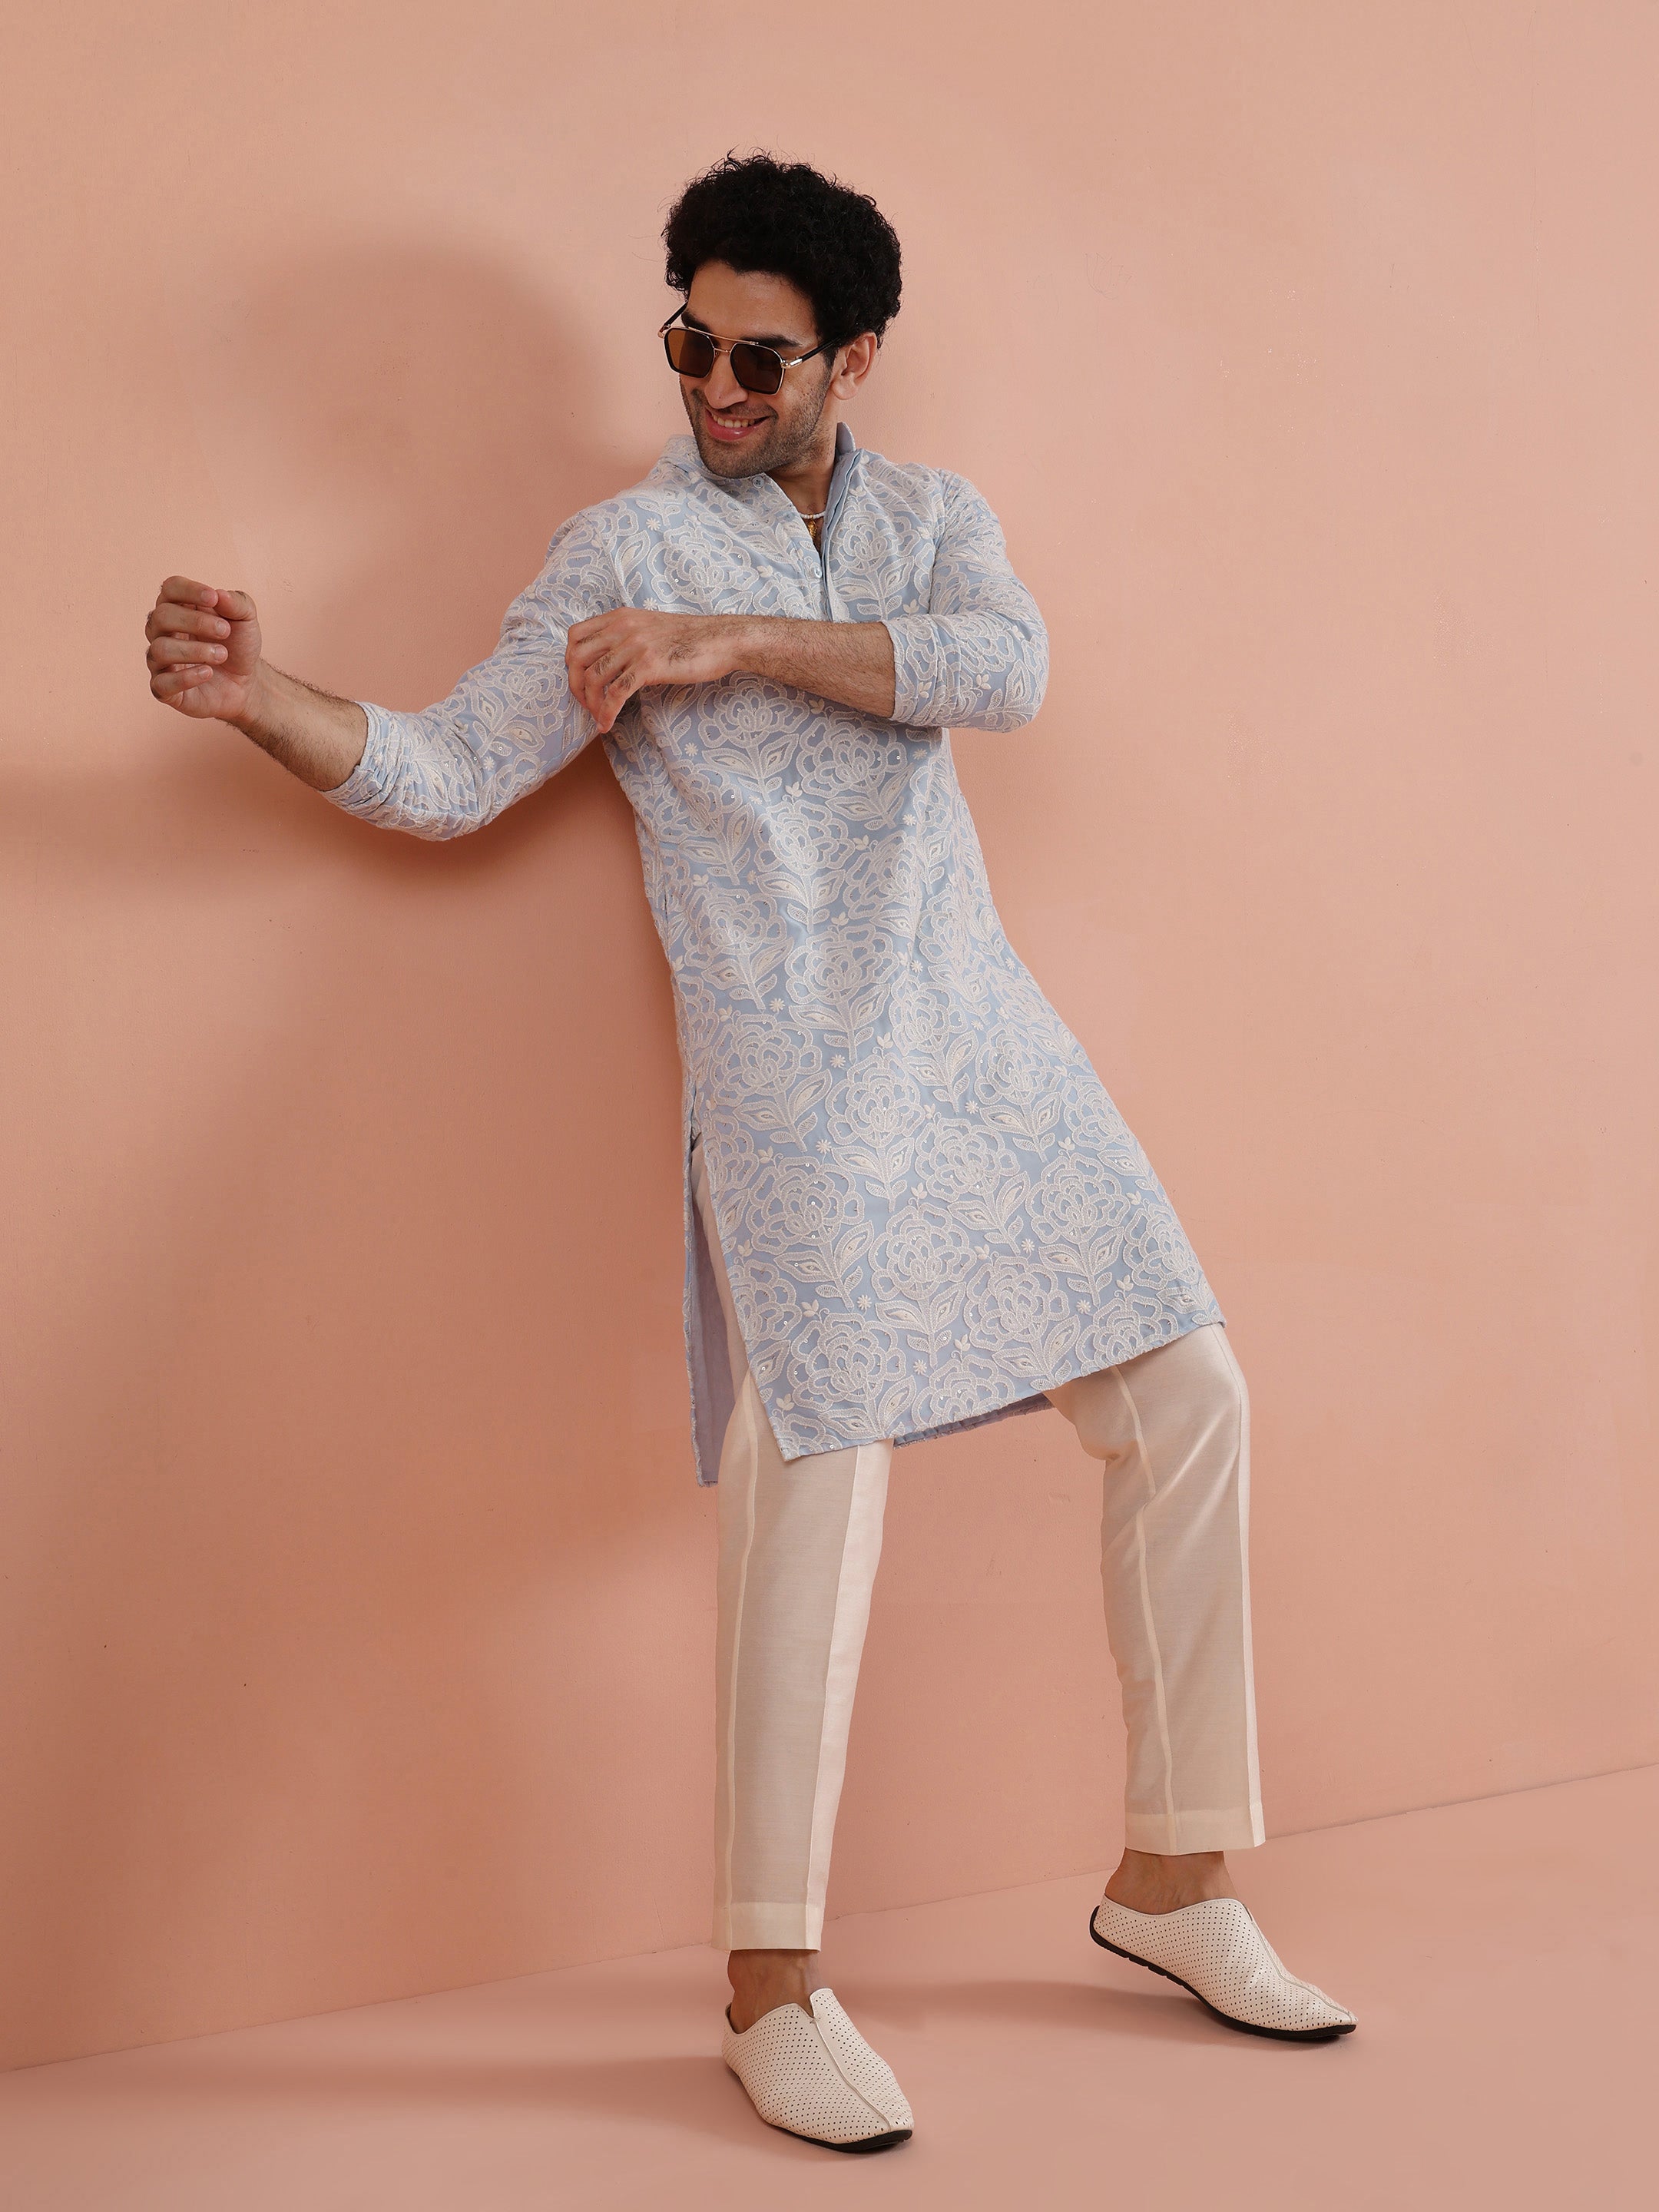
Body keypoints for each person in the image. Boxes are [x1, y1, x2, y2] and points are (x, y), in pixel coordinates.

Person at [143, 153, 1355, 2153]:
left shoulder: (933, 522)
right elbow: (452, 770)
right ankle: (768, 1984)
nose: (712, 385)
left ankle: (1174, 1878)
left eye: (758, 358)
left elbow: (1008, 671)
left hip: (983, 1048)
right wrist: (260, 698)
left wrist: (737, 642)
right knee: (819, 1483)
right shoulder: (616, 551)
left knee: (1192, 1392)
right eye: (688, 343)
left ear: (852, 361)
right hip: (792, 1084)